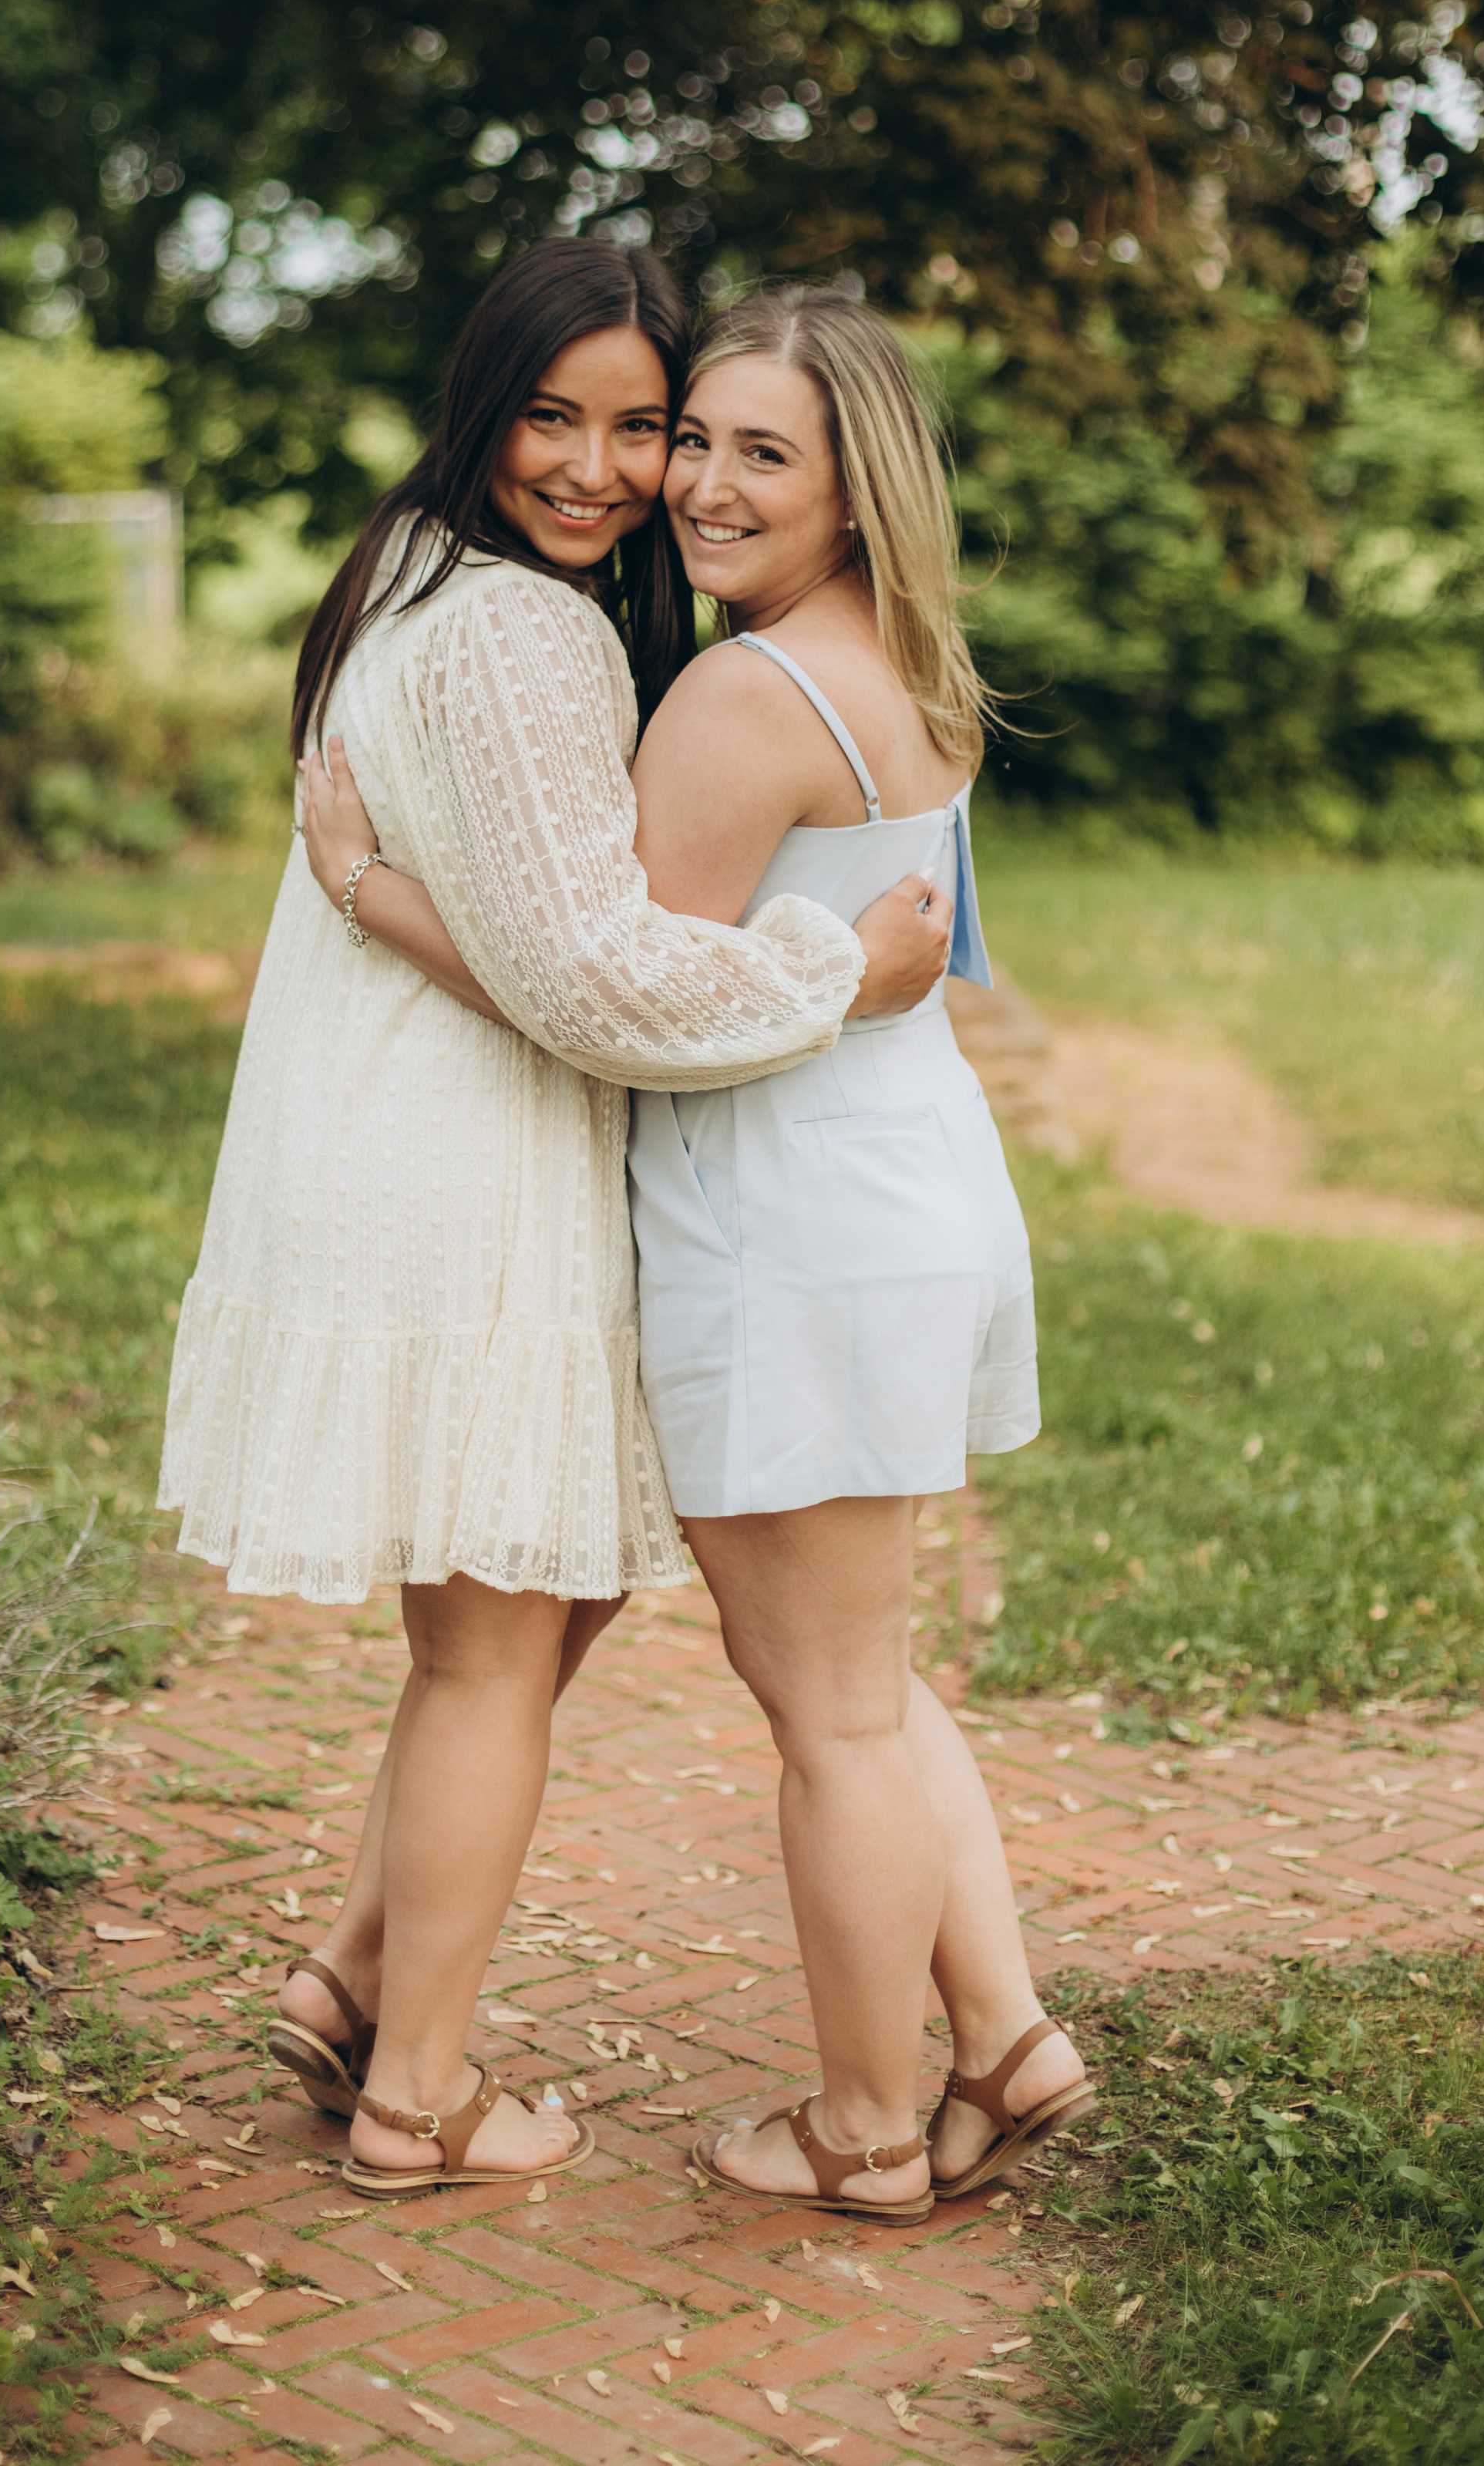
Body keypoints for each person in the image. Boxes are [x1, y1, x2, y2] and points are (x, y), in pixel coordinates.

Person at [160, 240, 951, 2198]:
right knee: (487, 1660)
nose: (600, 470)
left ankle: (354, 1983)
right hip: (466, 1180)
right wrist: (833, 973)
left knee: (526, 1612)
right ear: (482, 407)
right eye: (551, 417)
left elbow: (527, 939)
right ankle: (416, 2099)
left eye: (637, 425)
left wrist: (374, 895)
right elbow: (594, 978)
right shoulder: (527, 632)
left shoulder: (412, 578)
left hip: (399, 1153)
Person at [299, 285, 1094, 2222]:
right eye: (698, 442)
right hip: (894, 1184)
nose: (697, 489)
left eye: (760, 454)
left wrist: (371, 890)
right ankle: (1002, 2039)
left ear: (854, 484)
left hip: (780, 1216)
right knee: (850, 1676)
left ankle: (863, 2132)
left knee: (829, 1710)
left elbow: (602, 997)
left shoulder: (741, 698)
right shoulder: (904, 660)